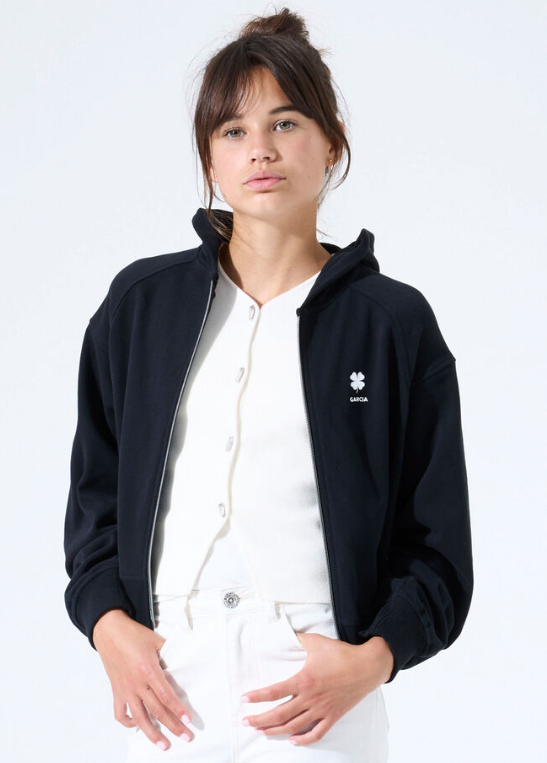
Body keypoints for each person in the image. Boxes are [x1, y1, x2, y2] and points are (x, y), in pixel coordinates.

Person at [63, 7, 474, 762]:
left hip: (318, 694)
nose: (260, 149)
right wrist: (107, 625)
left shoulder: (390, 322)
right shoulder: (140, 307)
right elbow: (95, 501)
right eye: (233, 131)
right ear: (210, 159)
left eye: (285, 123)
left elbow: (438, 544)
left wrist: (373, 660)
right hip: (168, 691)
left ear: (331, 143)